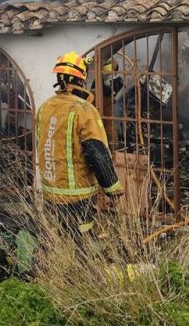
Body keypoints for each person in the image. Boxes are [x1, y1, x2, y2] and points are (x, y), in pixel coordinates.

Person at [36, 51, 124, 239]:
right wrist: (112, 188)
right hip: (77, 194)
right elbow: (96, 152)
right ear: (81, 80)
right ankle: (79, 267)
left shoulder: (45, 107)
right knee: (80, 238)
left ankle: (56, 265)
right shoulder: (84, 109)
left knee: (56, 236)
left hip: (49, 192)